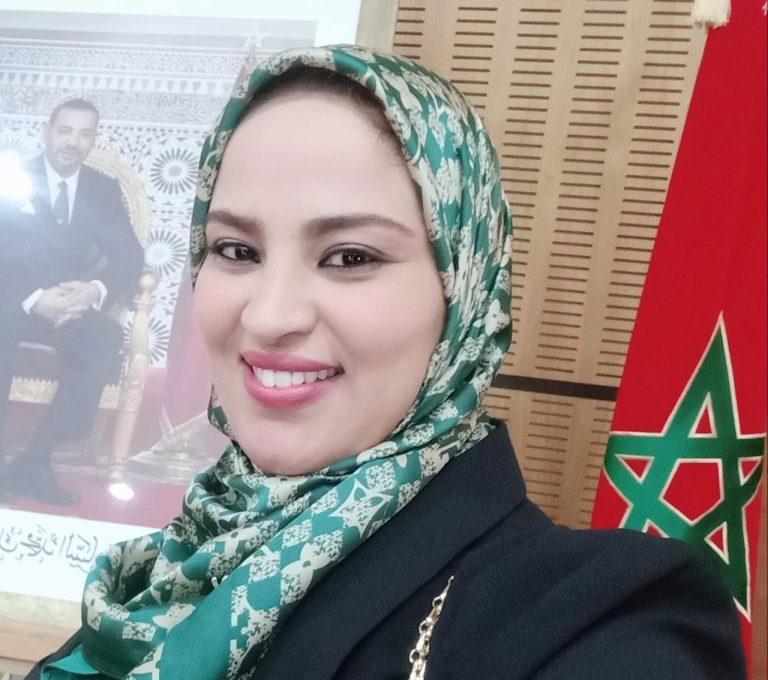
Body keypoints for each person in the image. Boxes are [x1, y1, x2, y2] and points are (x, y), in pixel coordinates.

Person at [27, 46, 744, 679]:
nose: (269, 316)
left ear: (462, 293)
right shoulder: (176, 566)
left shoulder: (589, 616)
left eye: (350, 257)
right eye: (236, 250)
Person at [0, 98, 144, 505]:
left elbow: (130, 255)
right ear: (47, 133)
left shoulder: (102, 188)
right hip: (13, 302)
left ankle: (35, 460)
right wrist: (33, 298)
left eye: (84, 134)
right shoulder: (11, 178)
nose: (73, 142)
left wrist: (93, 290)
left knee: (104, 337)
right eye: (65, 131)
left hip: (70, 306)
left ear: (93, 140)